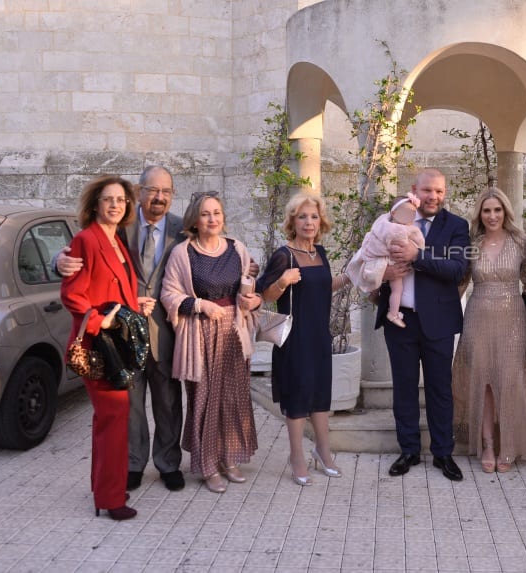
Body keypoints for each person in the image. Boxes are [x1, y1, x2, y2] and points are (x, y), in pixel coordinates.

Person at [57, 165, 187, 493]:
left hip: (165, 330)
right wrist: (58, 262)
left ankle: (168, 463)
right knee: (130, 402)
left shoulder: (182, 228)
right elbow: (82, 252)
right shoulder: (119, 226)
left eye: (166, 191)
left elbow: (213, 247)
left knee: (168, 401)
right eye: (152, 190)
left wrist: (249, 268)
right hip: (122, 334)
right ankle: (133, 463)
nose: (159, 197)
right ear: (139, 193)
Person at [60, 175, 156, 520]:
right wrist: (101, 322)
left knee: (111, 419)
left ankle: (106, 488)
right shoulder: (86, 240)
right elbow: (72, 294)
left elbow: (111, 289)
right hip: (98, 346)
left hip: (117, 343)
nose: (115, 205)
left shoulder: (116, 240)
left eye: (121, 199)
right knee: (113, 418)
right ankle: (111, 499)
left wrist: (134, 303)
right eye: (108, 199)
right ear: (95, 204)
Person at [160, 191, 262, 493]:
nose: (212, 219)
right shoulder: (183, 253)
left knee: (233, 397)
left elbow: (248, 284)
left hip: (233, 331)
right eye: (205, 214)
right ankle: (207, 465)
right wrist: (200, 305)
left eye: (216, 213)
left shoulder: (236, 248)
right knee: (205, 399)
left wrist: (251, 297)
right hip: (200, 334)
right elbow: (169, 294)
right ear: (195, 220)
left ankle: (230, 458)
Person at [377, 168, 470, 481]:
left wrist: (418, 255)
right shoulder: (393, 218)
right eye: (428, 190)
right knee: (403, 387)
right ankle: (409, 450)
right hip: (400, 319)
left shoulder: (456, 226)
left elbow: (456, 269)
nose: (434, 197)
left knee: (439, 388)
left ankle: (443, 452)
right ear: (414, 190)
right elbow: (371, 256)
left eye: (439, 191)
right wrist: (382, 273)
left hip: (439, 320)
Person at [451, 187, 526, 473]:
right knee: (483, 383)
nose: (492, 215)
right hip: (477, 318)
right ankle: (488, 444)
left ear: (505, 211)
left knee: (510, 380)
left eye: (497, 210)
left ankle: (510, 444)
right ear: (479, 214)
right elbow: (459, 283)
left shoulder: (521, 241)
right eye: (487, 210)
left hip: (512, 319)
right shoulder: (472, 243)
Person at [256, 193, 351, 486]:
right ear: (292, 222)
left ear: (321, 221)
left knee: (321, 396)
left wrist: (350, 275)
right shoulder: (283, 255)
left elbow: (324, 288)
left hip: (319, 336)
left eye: (313, 217)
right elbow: (264, 295)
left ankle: (323, 452)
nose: (309, 222)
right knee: (297, 397)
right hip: (294, 339)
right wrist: (283, 281)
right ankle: (296, 457)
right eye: (302, 217)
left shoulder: (319, 253)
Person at [346, 192, 425, 328]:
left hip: (382, 261)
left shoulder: (383, 224)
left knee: (392, 288)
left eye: (412, 213)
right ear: (393, 213)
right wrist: (418, 249)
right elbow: (410, 244)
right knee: (397, 290)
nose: (409, 216)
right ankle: (393, 314)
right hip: (389, 262)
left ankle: (383, 303)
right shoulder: (398, 229)